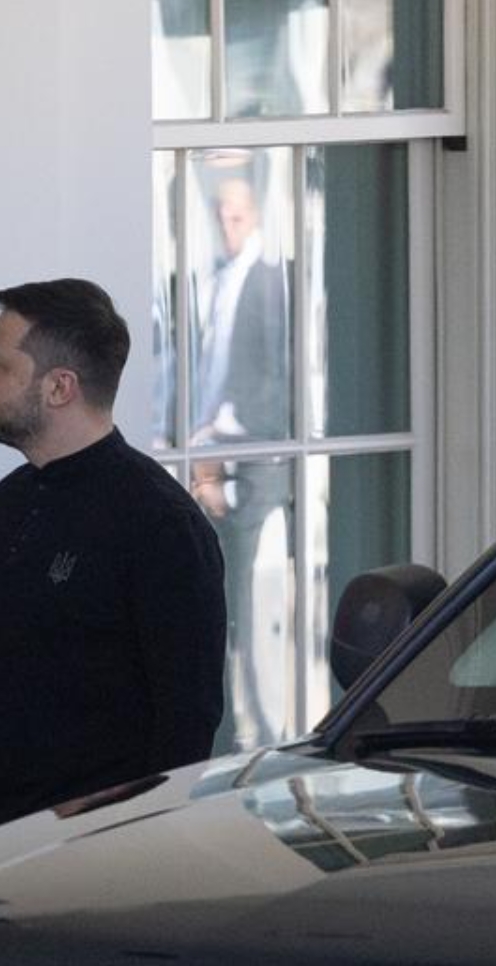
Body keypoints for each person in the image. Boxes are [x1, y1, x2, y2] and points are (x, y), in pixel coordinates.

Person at [0, 279, 227, 843]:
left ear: (59, 387)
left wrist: (141, 849)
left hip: (103, 857)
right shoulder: (7, 504)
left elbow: (187, 720)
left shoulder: (161, 524)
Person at [191, 177, 292, 752]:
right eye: (219, 215)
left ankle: (259, 733)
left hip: (251, 470)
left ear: (253, 216)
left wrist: (220, 434)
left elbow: (275, 384)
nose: (226, 226)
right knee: (219, 608)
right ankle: (230, 730)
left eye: (235, 216)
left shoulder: (270, 282)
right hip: (213, 462)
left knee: (247, 610)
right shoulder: (220, 279)